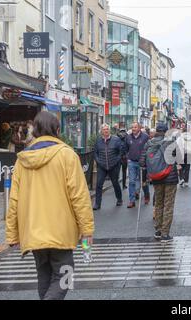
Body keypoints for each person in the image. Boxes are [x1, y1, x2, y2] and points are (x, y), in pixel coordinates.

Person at [6, 111, 94, 300]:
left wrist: (12, 233)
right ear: (57, 129)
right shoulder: (67, 155)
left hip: (33, 230)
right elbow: (79, 196)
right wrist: (87, 230)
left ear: (35, 130)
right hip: (60, 229)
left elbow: (14, 200)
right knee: (66, 275)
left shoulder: (22, 160)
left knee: (44, 275)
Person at [140, 123, 178, 242]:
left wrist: (146, 174)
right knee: (168, 204)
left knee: (158, 203)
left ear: (156, 131)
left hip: (156, 177)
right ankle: (165, 233)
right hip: (170, 176)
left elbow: (142, 161)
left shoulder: (149, 143)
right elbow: (178, 156)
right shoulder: (170, 141)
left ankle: (157, 230)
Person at [92, 124, 124, 210]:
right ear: (101, 131)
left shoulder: (116, 140)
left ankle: (119, 199)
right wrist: (98, 162)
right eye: (104, 129)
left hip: (113, 165)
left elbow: (120, 152)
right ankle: (97, 204)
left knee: (115, 183)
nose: (106, 131)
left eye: (107, 129)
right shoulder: (98, 141)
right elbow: (95, 153)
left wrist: (116, 161)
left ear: (109, 130)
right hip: (102, 166)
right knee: (99, 184)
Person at [124, 122, 150, 208]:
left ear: (139, 128)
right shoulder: (128, 137)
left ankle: (146, 195)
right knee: (131, 181)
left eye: (135, 127)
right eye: (132, 127)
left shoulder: (145, 137)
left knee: (143, 181)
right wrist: (128, 157)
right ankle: (132, 200)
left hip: (142, 163)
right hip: (132, 162)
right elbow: (126, 148)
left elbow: (148, 149)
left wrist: (146, 160)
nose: (133, 129)